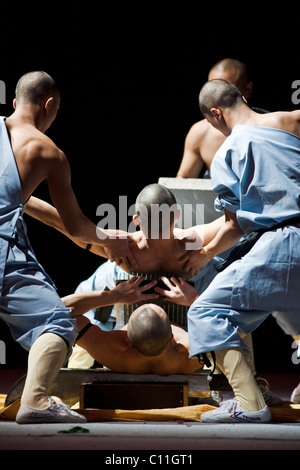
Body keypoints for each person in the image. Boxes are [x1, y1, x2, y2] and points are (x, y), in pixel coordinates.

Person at [1, 71, 136, 425]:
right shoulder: (47, 151)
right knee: (58, 322)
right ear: (50, 106)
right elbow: (75, 224)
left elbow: (26, 205)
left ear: (15, 104)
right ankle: (36, 402)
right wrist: (112, 239)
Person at [166, 79, 300, 423]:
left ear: (215, 114)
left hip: (284, 244)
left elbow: (235, 225)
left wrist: (204, 254)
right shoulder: (287, 121)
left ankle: (250, 403)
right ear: (242, 97)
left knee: (206, 312)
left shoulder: (228, 150)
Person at [61, 276, 203, 375]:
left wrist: (114, 295)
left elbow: (60, 310)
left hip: (120, 352)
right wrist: (195, 299)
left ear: (127, 339)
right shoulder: (190, 352)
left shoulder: (113, 352)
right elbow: (224, 321)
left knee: (90, 287)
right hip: (182, 297)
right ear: (172, 337)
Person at [176, 58, 257, 178]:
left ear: (248, 90)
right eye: (213, 88)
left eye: (226, 90)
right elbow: (182, 183)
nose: (216, 96)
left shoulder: (269, 125)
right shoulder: (199, 133)